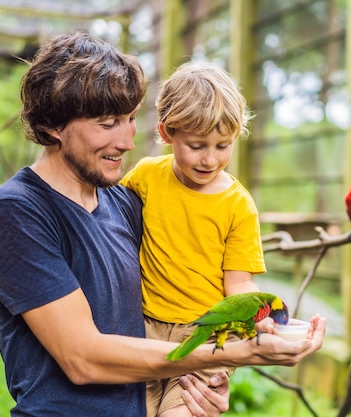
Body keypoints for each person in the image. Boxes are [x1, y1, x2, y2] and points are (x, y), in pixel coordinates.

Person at [0, 32, 326, 417]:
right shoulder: (18, 211)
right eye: (109, 123)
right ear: (53, 125)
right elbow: (83, 359)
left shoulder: (125, 203)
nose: (128, 141)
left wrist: (206, 380)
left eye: (130, 120)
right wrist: (230, 353)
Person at [120, 62, 272, 417]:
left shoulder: (238, 205)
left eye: (223, 145)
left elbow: (238, 282)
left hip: (206, 335)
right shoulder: (145, 176)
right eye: (197, 145)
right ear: (166, 131)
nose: (210, 159)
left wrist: (261, 316)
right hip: (142, 328)